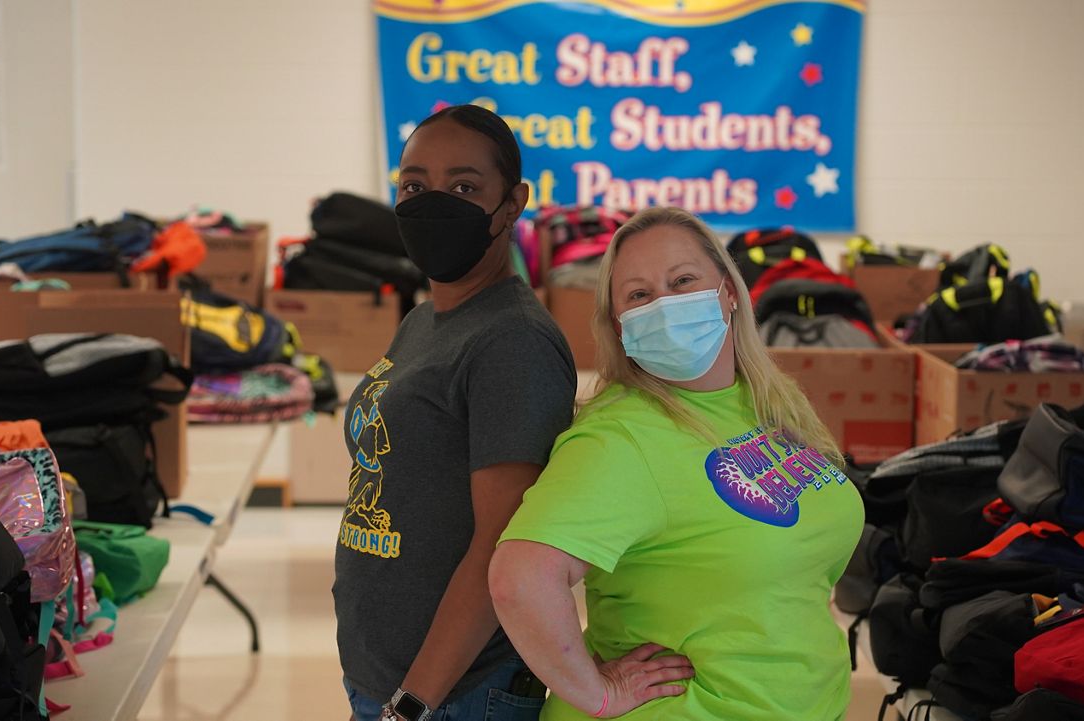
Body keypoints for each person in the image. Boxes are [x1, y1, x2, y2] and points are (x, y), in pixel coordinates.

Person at [489, 206, 864, 720]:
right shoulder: (620, 437)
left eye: (683, 280)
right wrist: (596, 692)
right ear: (620, 325)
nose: (665, 305)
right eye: (640, 295)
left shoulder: (768, 402)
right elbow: (520, 579)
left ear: (729, 292)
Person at [334, 104, 577, 721]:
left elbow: (503, 546)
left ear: (513, 203)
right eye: (415, 185)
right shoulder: (425, 321)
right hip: (390, 679)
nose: (433, 202)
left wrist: (410, 705)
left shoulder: (511, 341)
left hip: (456, 696)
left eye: (464, 187)